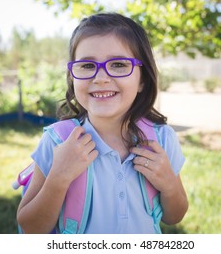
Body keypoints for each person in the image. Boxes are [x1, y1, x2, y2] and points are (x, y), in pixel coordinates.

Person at [16, 12, 188, 234]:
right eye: (87, 66)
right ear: (72, 77)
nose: (100, 77)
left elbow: (174, 216)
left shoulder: (162, 139)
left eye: (118, 64)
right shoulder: (57, 142)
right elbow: (30, 228)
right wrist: (58, 177)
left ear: (142, 79)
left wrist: (169, 184)